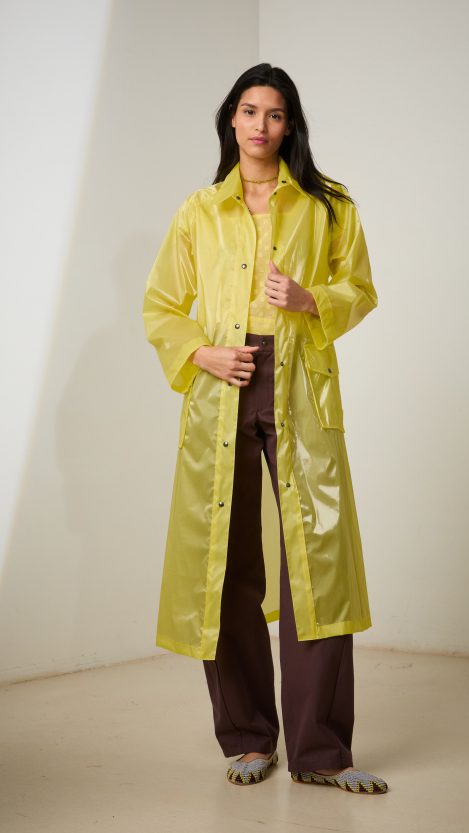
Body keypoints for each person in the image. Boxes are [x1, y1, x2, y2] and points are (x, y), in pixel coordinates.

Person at [142, 63, 388, 795]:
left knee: (317, 566)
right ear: (231, 118)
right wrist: (201, 352)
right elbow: (161, 305)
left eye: (274, 114)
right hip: (224, 385)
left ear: (289, 126)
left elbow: (360, 288)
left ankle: (322, 751)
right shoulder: (199, 210)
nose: (260, 125)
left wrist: (313, 300)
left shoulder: (327, 204)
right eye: (249, 111)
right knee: (224, 562)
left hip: (299, 386)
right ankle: (248, 737)